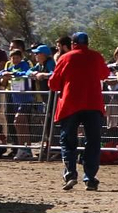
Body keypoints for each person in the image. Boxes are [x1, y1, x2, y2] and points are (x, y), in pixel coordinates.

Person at [47, 32, 110, 191]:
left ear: (73, 43)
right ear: (87, 43)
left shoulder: (65, 58)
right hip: (93, 104)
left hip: (70, 105)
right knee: (93, 141)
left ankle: (70, 174)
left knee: (68, 141)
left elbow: (53, 84)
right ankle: (90, 178)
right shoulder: (96, 56)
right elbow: (105, 74)